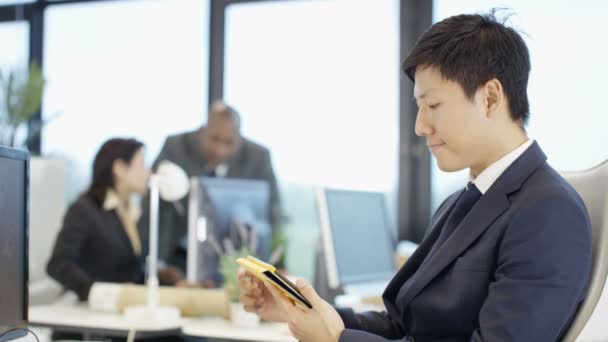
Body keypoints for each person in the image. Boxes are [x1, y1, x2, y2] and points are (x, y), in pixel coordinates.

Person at [238, 11, 592, 341]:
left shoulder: (549, 214)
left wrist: (336, 339)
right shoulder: (463, 201)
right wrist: (303, 309)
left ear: (490, 98)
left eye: (433, 105)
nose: (420, 127)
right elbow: (402, 324)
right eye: (418, 107)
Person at [149, 100, 282, 278]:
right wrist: (155, 265)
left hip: (234, 262)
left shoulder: (258, 158)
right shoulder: (176, 148)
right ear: (202, 131)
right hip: (178, 257)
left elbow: (273, 215)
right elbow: (154, 206)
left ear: (239, 139)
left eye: (228, 142)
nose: (219, 149)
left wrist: (277, 265)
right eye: (214, 139)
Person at [47, 138, 182, 301]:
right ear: (119, 169)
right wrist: (100, 291)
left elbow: (127, 272)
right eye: (142, 165)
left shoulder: (130, 213)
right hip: (86, 313)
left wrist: (167, 279)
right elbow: (58, 264)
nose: (148, 173)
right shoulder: (85, 210)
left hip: (121, 312)